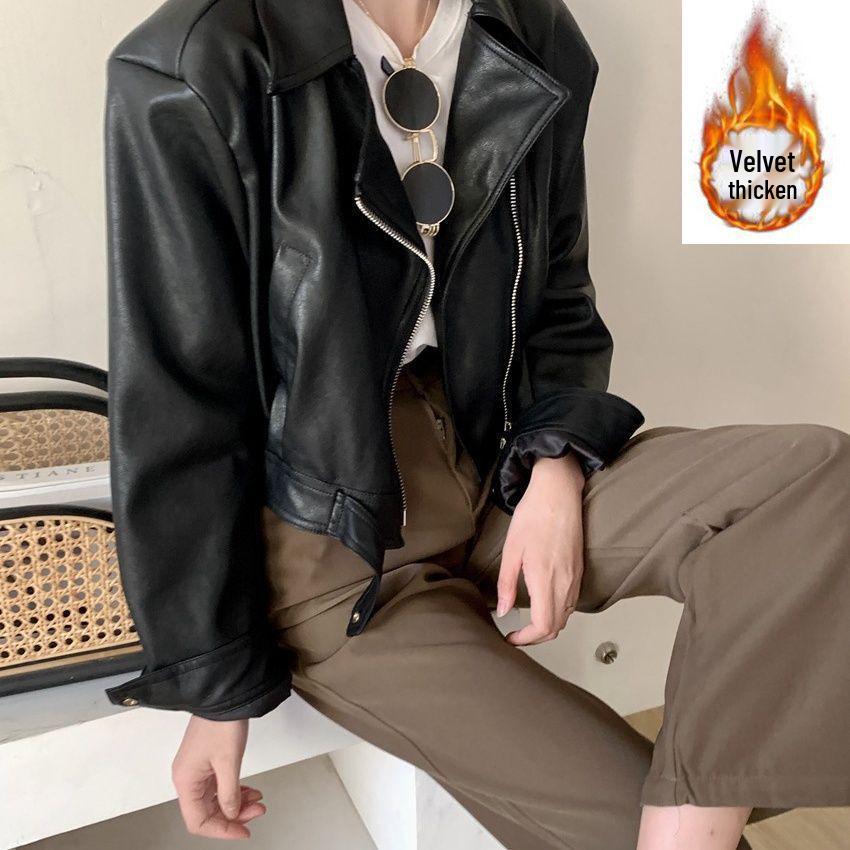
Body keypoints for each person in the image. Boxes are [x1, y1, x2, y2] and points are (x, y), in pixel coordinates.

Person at [103, 0, 850, 848]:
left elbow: (560, 302)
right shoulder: (195, 62)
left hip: (497, 456)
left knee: (812, 483)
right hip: (334, 543)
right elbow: (181, 396)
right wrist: (214, 685)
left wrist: (554, 463)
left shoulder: (530, 30)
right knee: (645, 826)